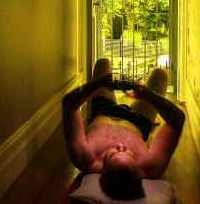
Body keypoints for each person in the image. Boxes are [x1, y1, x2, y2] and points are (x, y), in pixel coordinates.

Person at [62, 57, 185, 200]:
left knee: (102, 62)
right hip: (138, 119)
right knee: (160, 73)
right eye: (130, 154)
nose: (121, 146)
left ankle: (108, 78)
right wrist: (146, 94)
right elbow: (178, 119)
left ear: (103, 170)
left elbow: (69, 104)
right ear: (140, 170)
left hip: (103, 110)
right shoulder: (150, 166)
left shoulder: (85, 158)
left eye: (113, 153)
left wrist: (102, 82)